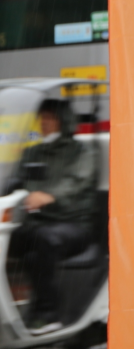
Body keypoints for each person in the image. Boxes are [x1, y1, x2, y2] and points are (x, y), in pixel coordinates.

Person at [8, 98, 98, 335]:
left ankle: (50, 314)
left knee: (44, 240)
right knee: (17, 241)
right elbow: (15, 179)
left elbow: (76, 181)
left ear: (63, 121)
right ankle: (24, 310)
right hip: (40, 223)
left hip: (74, 224)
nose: (44, 122)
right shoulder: (33, 152)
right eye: (42, 117)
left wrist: (50, 195)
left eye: (50, 118)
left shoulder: (82, 152)